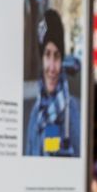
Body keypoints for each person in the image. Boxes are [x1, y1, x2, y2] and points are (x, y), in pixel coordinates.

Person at [23, 10, 78, 157]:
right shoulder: (36, 114)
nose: (52, 67)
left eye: (57, 56)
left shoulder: (72, 110)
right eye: (47, 55)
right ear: (42, 58)